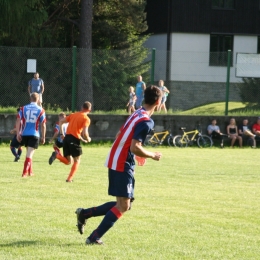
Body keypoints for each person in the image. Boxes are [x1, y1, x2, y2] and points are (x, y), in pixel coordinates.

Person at [75, 85, 162, 245]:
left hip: (116, 159)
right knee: (123, 205)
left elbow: (120, 135)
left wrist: (136, 152)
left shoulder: (137, 113)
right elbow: (134, 146)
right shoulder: (146, 121)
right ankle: (94, 237)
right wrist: (151, 155)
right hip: (122, 162)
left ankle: (84, 214)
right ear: (158, 101)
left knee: (122, 204)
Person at [48, 101, 92, 182]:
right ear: (89, 110)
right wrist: (88, 138)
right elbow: (85, 133)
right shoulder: (86, 119)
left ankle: (57, 155)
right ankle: (69, 179)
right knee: (77, 160)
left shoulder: (73, 115)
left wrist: (61, 133)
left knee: (69, 161)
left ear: (82, 108)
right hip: (74, 139)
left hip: (66, 138)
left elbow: (61, 121)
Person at [16, 93, 46, 177]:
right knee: (29, 154)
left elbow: (18, 120)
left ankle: (30, 172)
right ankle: (24, 172)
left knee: (29, 153)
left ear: (30, 99)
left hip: (24, 134)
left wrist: (18, 133)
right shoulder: (41, 110)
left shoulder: (23, 108)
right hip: (34, 134)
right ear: (38, 100)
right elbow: (43, 124)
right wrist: (43, 136)